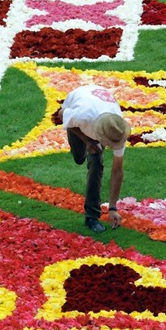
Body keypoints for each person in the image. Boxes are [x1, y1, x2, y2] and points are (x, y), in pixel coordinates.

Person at [59, 84, 131, 233]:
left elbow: (117, 171)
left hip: (98, 109)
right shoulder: (82, 116)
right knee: (79, 158)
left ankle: (91, 216)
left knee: (97, 161)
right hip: (77, 103)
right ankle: (83, 149)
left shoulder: (117, 129)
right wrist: (87, 141)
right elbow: (61, 115)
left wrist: (112, 207)